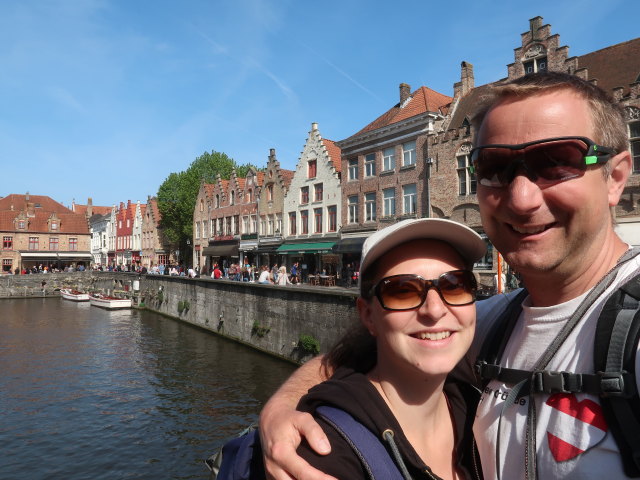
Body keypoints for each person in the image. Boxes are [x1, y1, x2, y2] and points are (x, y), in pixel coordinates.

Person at [258, 72, 640, 480]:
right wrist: (282, 406)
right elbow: (353, 359)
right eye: (495, 167)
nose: (522, 198)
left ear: (615, 177)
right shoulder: (486, 322)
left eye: (556, 162)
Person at [295, 218, 485, 479]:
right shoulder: (328, 451)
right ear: (368, 316)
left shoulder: (481, 411)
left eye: (454, 285)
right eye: (403, 291)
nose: (435, 309)